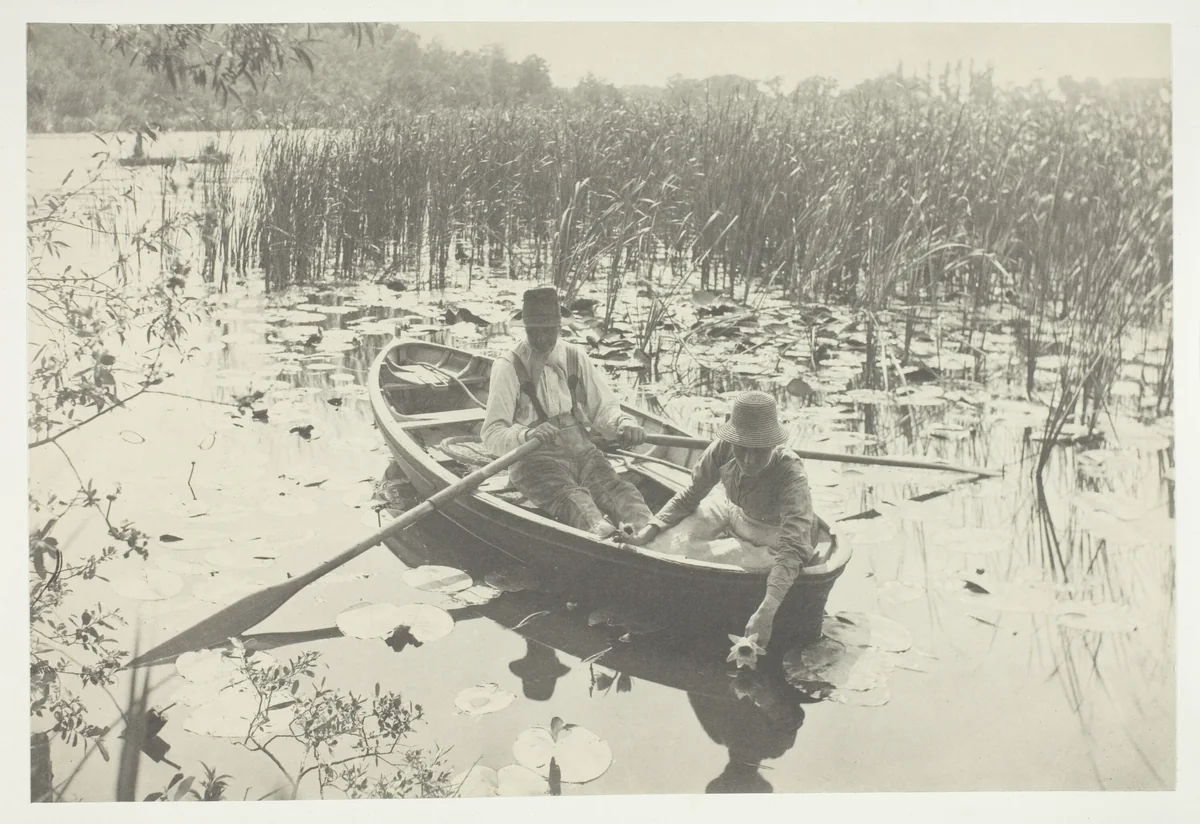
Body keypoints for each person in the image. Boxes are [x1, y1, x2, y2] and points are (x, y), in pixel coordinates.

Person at [624, 391, 818, 650]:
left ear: (773, 443)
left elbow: (793, 547)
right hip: (732, 509)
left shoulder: (790, 472)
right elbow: (691, 494)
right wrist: (646, 532)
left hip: (773, 534)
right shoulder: (724, 447)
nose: (748, 460)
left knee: (711, 560)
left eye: (758, 451)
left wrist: (766, 611)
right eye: (742, 448)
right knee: (669, 542)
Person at [481, 286, 654, 539]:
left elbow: (603, 408)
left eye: (548, 330)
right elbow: (491, 434)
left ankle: (649, 536)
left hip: (582, 451)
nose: (541, 338)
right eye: (534, 330)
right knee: (575, 500)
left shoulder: (575, 356)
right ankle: (605, 539)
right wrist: (527, 435)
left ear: (560, 327)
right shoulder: (508, 366)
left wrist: (623, 423)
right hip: (535, 459)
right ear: (525, 327)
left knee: (621, 492)